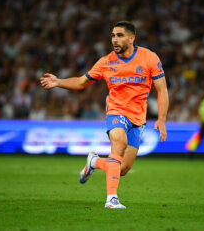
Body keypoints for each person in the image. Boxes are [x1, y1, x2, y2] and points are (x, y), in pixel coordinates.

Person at [40, 21, 169, 209]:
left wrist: (162, 119)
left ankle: (94, 161)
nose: (114, 40)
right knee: (119, 143)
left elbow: (162, 89)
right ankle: (112, 199)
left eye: (120, 36)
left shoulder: (149, 58)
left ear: (132, 38)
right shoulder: (106, 62)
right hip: (116, 111)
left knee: (123, 168)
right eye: (113, 36)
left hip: (138, 118)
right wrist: (58, 82)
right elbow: (82, 82)